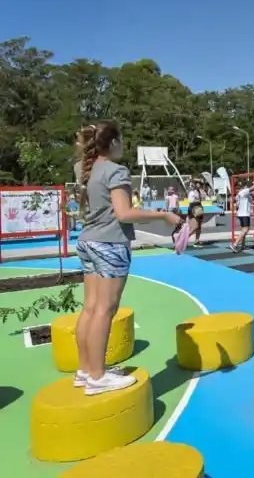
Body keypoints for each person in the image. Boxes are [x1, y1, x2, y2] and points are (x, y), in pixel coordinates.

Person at [74, 122, 181, 394]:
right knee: (104, 310)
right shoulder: (115, 171)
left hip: (87, 241)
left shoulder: (83, 169)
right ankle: (98, 378)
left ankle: (86, 370)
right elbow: (124, 214)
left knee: (90, 308)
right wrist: (163, 215)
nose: (124, 145)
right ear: (112, 143)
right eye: (121, 140)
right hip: (110, 243)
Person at [231, 177, 254, 252]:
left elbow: (252, 198)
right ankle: (235, 244)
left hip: (243, 213)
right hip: (243, 214)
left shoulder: (246, 194)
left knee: (244, 230)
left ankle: (242, 245)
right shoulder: (244, 191)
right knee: (245, 229)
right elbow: (251, 188)